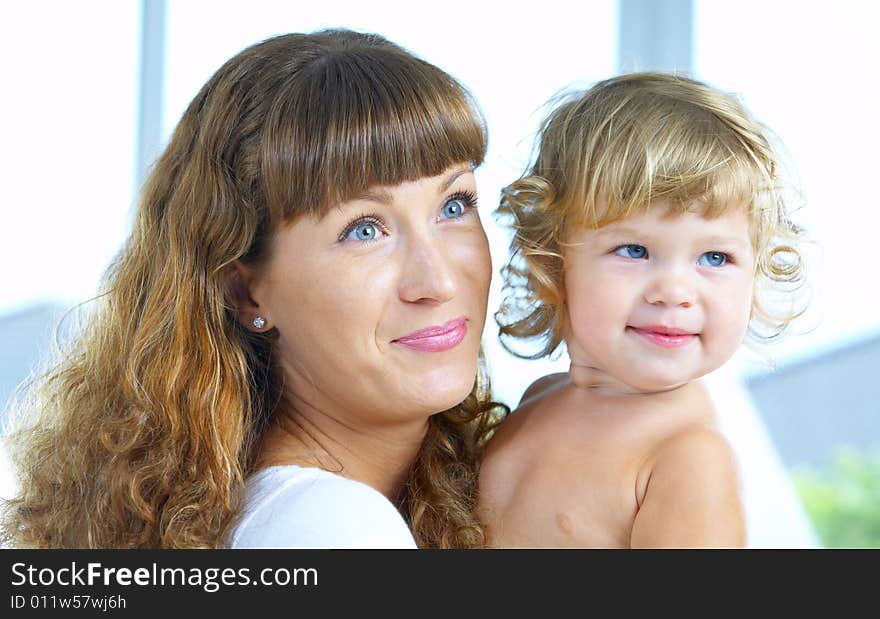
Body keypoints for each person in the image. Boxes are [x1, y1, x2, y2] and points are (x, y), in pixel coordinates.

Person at [1, 29, 506, 549]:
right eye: (363, 229)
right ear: (246, 295)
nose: (439, 281)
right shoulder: (332, 527)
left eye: (454, 205)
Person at [478, 73, 806, 548]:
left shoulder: (687, 459)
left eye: (715, 258)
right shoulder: (539, 399)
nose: (674, 292)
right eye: (634, 250)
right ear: (551, 259)